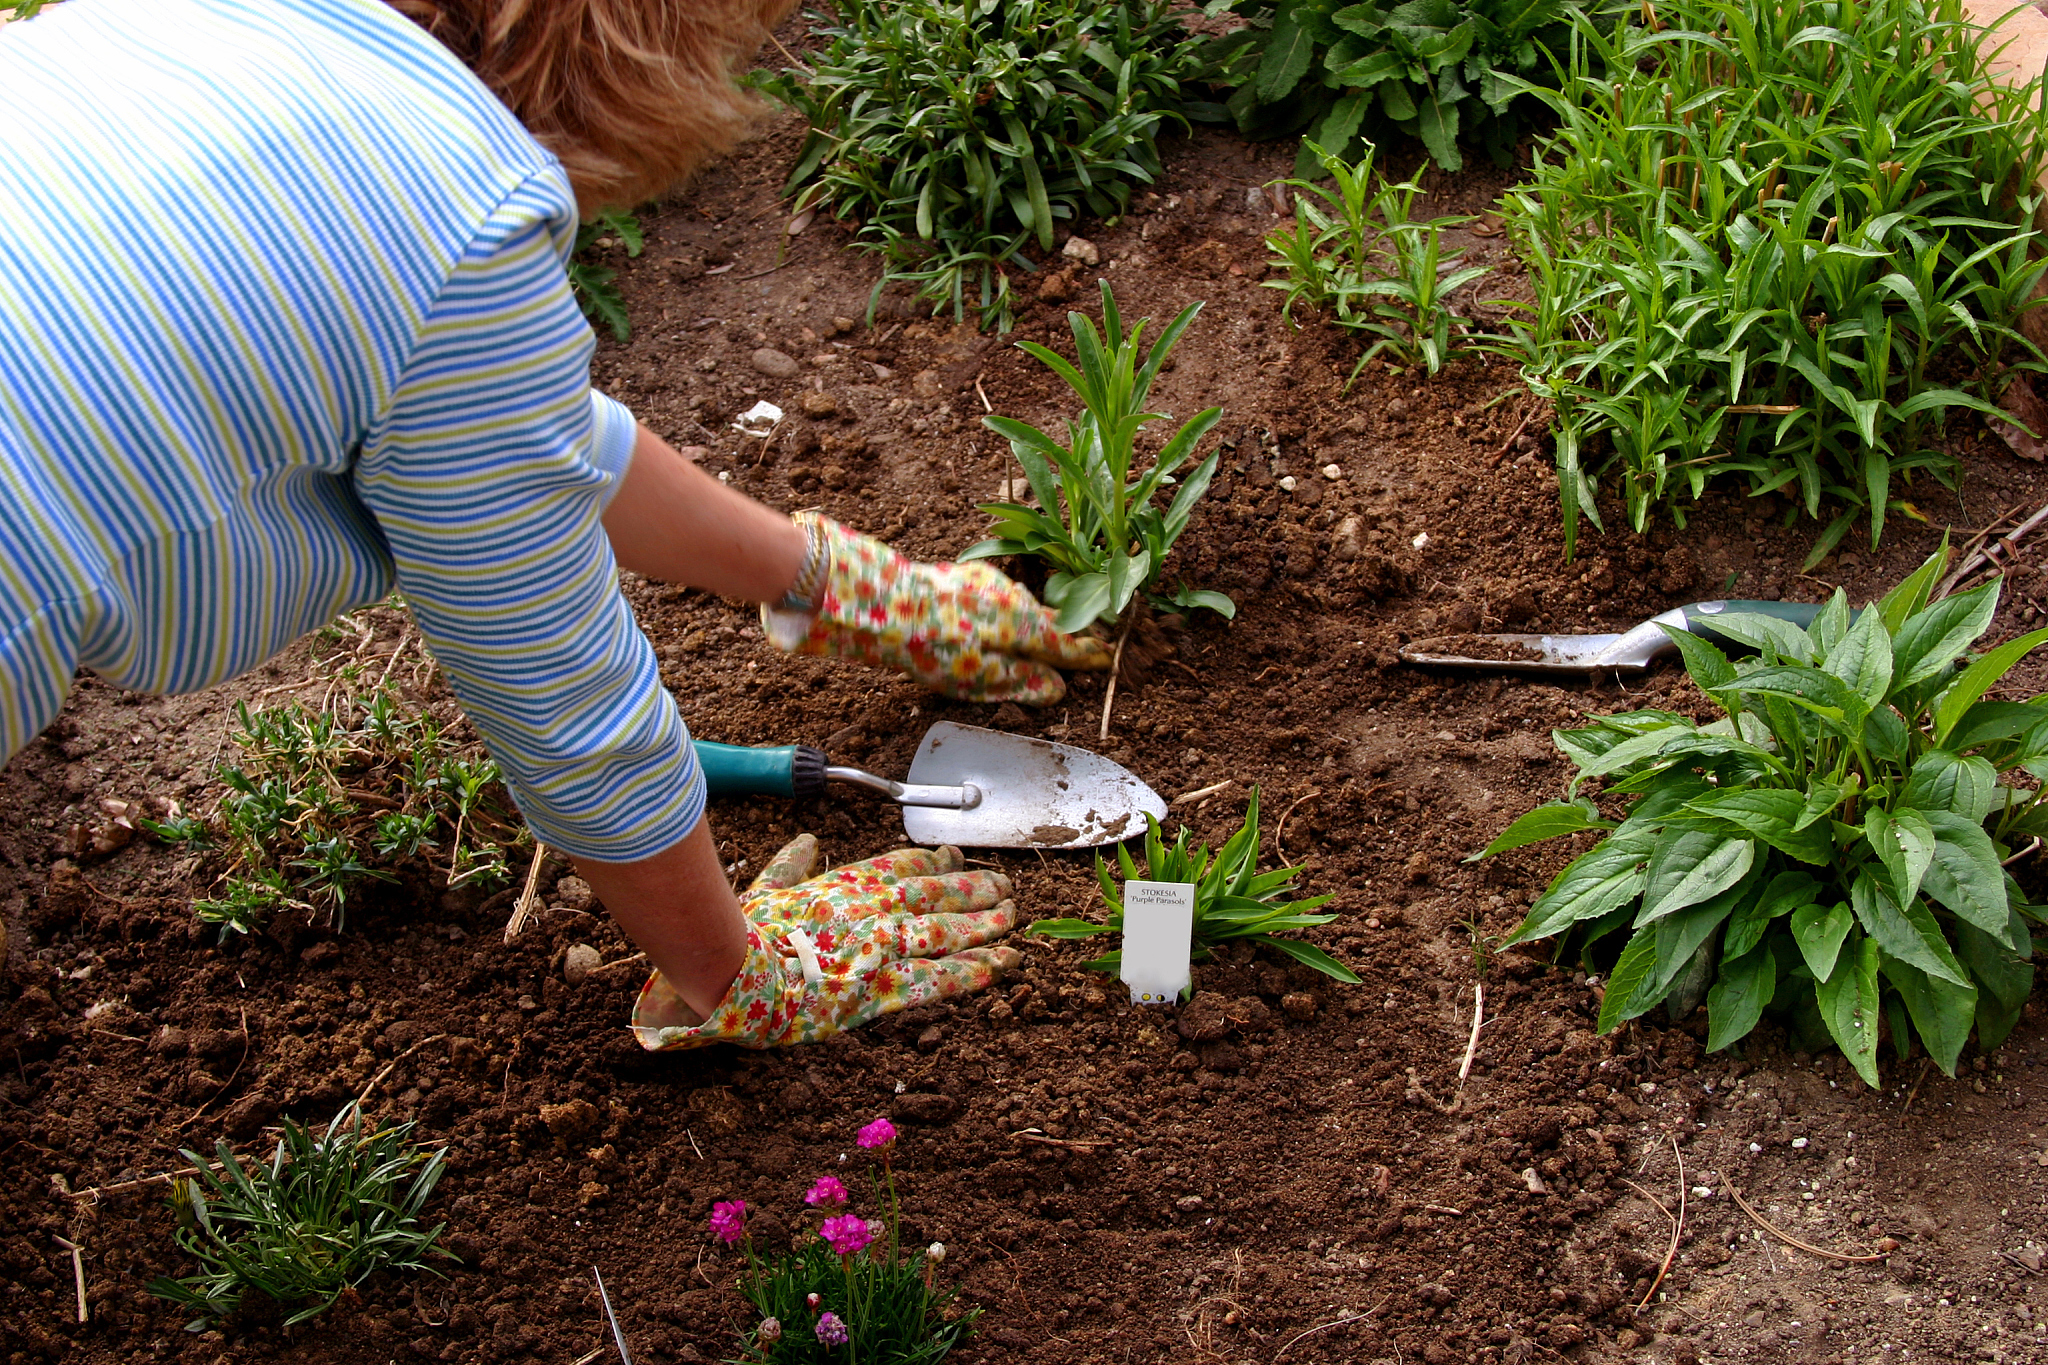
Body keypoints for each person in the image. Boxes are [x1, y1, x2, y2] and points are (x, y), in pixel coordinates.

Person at [0, 0, 1107, 1049]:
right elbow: (565, 712)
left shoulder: (196, 25)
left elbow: (512, 437)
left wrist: (822, 577)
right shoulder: (458, 220)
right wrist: (735, 973)